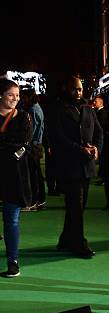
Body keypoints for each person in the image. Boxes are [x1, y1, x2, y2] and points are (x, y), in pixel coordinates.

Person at [47, 76, 103, 258]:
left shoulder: (88, 107)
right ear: (66, 89)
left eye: (79, 89)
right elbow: (58, 138)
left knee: (78, 206)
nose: (78, 92)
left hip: (86, 165)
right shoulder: (58, 109)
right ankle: (79, 244)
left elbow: (99, 131)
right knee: (76, 205)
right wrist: (80, 150)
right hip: (69, 164)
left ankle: (65, 239)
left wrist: (96, 148)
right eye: (74, 89)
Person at [0, 79, 33, 277]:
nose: (15, 99)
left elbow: (24, 146)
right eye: (11, 94)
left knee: (11, 221)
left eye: (18, 95)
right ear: (1, 95)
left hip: (15, 176)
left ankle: (13, 261)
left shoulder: (24, 118)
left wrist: (8, 150)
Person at [20, 89, 46, 210]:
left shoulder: (33, 110)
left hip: (33, 146)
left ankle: (34, 201)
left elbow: (32, 131)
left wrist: (26, 144)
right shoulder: (37, 108)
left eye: (23, 97)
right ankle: (40, 200)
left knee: (33, 175)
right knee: (37, 174)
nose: (21, 99)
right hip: (37, 145)